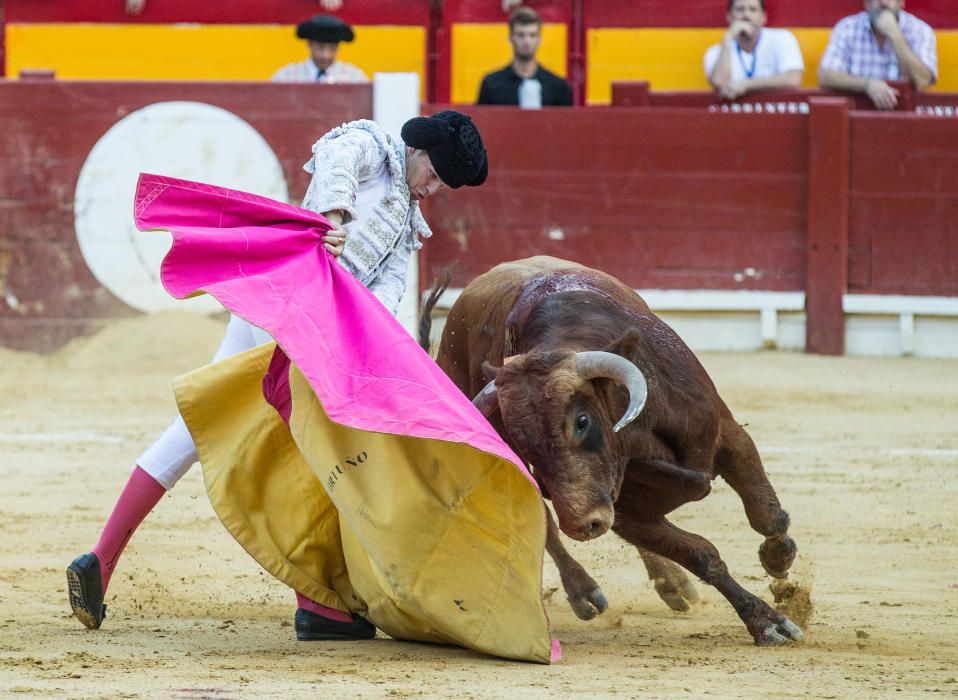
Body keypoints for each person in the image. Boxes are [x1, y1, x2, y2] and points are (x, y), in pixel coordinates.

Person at [66, 110, 489, 641]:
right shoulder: (367, 145)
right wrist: (332, 220)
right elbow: (335, 168)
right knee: (311, 453)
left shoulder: (405, 220)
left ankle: (101, 558)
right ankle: (317, 604)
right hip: (286, 316)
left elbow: (384, 294)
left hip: (293, 322)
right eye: (434, 175)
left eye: (444, 186)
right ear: (418, 151)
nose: (434, 188)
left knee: (196, 431)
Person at [818, 0, 937, 111]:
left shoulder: (920, 30)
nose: (883, 2)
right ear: (866, 3)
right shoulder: (847, 28)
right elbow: (825, 76)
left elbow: (923, 81)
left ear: (902, 2)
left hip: (906, 117)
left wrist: (894, 33)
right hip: (857, 114)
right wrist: (867, 84)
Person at [704, 0, 804, 101]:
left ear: (764, 17)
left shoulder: (782, 38)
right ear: (729, 16)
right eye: (740, 9)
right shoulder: (715, 51)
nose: (746, 15)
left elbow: (793, 79)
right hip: (734, 114)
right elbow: (719, 84)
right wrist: (728, 39)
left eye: (753, 9)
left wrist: (746, 85)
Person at [477, 7, 573, 108]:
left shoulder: (558, 87)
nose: (526, 41)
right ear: (511, 37)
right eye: (520, 35)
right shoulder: (491, 84)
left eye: (532, 35)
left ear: (539, 39)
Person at [271, 14, 368, 84]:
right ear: (310, 45)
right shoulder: (286, 77)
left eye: (332, 49)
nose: (325, 55)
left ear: (338, 48)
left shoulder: (354, 78)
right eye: (320, 47)